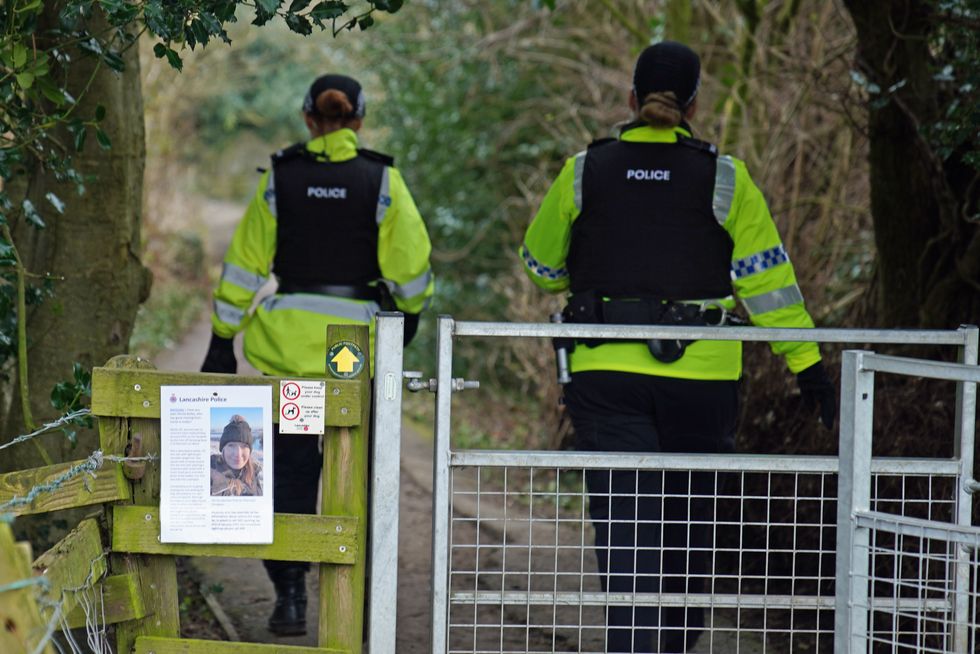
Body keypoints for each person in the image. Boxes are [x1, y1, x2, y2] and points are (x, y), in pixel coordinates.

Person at [521, 41, 835, 653]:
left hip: (604, 374)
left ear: (632, 99)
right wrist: (810, 368)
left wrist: (586, 278)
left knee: (626, 536)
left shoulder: (584, 169)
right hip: (703, 378)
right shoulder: (725, 177)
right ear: (694, 104)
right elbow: (769, 286)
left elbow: (538, 265)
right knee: (693, 531)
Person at [200, 73, 434, 636]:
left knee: (292, 474)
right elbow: (412, 272)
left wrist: (220, 341)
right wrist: (411, 315)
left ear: (309, 119)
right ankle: (355, 599)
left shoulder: (281, 176)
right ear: (358, 121)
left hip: (290, 353)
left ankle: (291, 597)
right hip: (350, 351)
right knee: (354, 472)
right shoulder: (382, 178)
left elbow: (243, 268)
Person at [211, 414, 263, 497]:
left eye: (244, 446)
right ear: (223, 449)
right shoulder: (209, 473)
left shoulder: (254, 474)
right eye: (231, 445)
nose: (238, 454)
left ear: (249, 450)